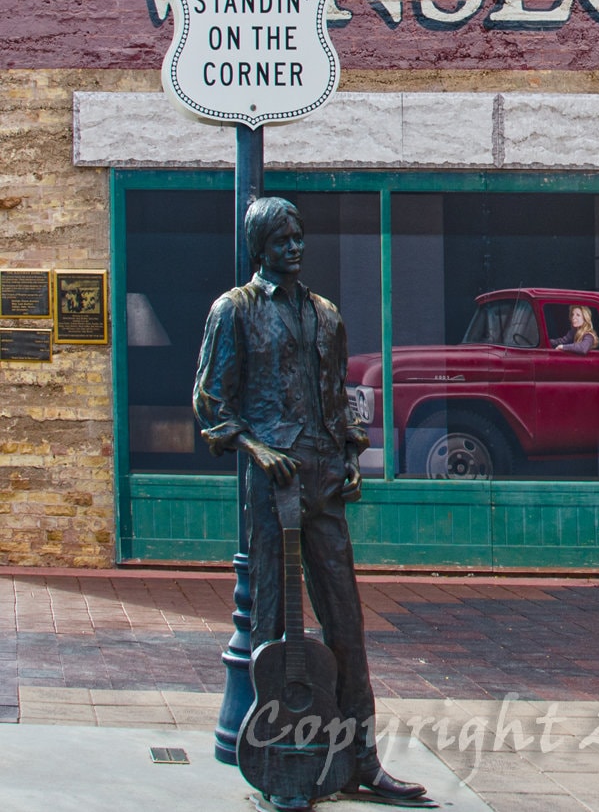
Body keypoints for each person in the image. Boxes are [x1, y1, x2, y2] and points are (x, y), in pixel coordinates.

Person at [193, 197, 427, 808]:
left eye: (299, 237)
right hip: (273, 488)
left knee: (346, 626)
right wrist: (253, 448)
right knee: (271, 629)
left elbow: (341, 398)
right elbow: (212, 401)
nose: (294, 248)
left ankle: (363, 761)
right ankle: (281, 768)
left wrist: (352, 456)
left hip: (323, 482)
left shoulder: (326, 315)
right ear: (259, 246)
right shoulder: (235, 311)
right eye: (282, 239)